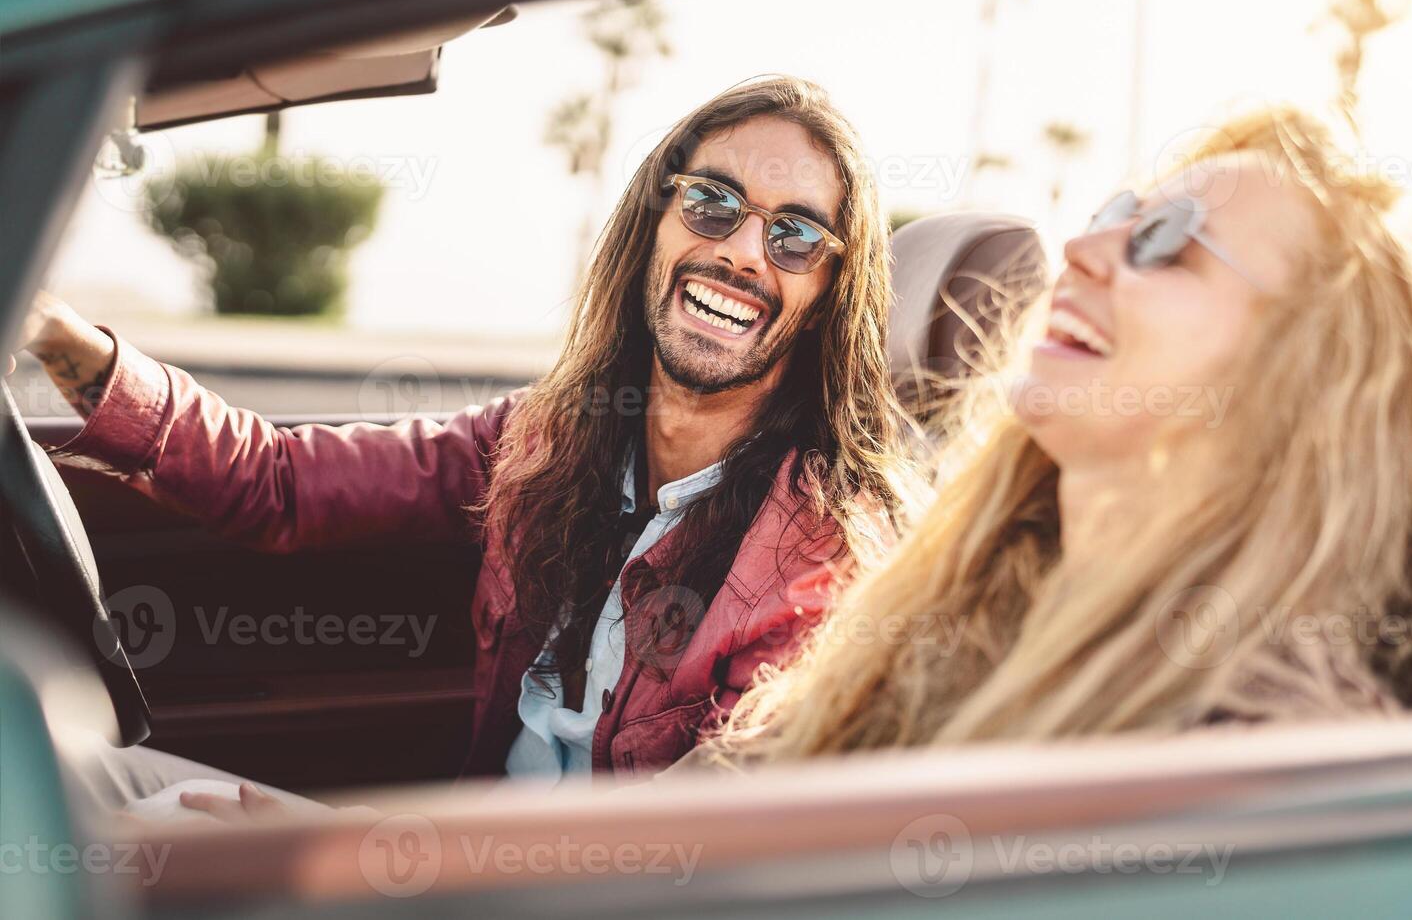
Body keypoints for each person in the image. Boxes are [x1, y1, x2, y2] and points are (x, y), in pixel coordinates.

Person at [18, 76, 917, 815]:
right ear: (657, 219)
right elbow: (280, 482)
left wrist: (360, 866)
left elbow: (693, 854)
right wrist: (55, 339)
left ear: (833, 289)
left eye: (796, 235)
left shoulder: (820, 557)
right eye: (714, 203)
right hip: (465, 867)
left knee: (122, 829)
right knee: (76, 785)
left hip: (551, 893)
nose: (746, 253)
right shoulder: (549, 436)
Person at [702, 106, 1412, 767]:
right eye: (1115, 217)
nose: (1080, 250)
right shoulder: (939, 616)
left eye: (1167, 241)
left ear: (1308, 379)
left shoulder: (1265, 759)